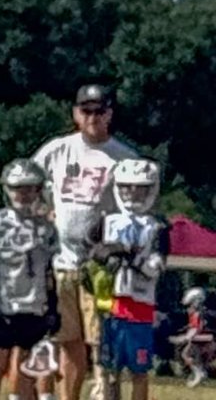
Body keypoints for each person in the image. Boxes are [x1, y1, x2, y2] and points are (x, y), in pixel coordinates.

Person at [29, 84, 138, 400]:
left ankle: (105, 392)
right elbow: (24, 182)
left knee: (102, 340)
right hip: (61, 262)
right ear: (76, 113)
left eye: (99, 110)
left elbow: (136, 211)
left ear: (109, 114)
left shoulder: (123, 157)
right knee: (67, 341)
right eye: (86, 110)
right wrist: (42, 212)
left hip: (100, 267)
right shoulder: (57, 150)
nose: (93, 117)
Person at [0, 159, 60, 400]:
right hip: (5, 304)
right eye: (17, 188)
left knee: (32, 362)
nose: (23, 194)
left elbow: (49, 273)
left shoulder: (47, 229)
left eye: (29, 188)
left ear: (39, 190)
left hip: (35, 304)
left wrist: (53, 307)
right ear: (7, 189)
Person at [88, 159, 165, 400]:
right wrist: (100, 256)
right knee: (110, 368)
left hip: (140, 306)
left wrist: (128, 253)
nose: (133, 193)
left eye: (140, 188)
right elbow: (90, 248)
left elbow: (155, 267)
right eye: (126, 187)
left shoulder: (157, 227)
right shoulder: (108, 221)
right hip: (110, 304)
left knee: (139, 370)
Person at [172, 287, 212, 388]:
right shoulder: (200, 313)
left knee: (186, 353)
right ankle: (200, 372)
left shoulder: (198, 314)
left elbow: (196, 330)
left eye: (190, 305)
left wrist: (184, 338)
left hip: (208, 340)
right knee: (186, 351)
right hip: (205, 339)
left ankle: (199, 373)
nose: (188, 308)